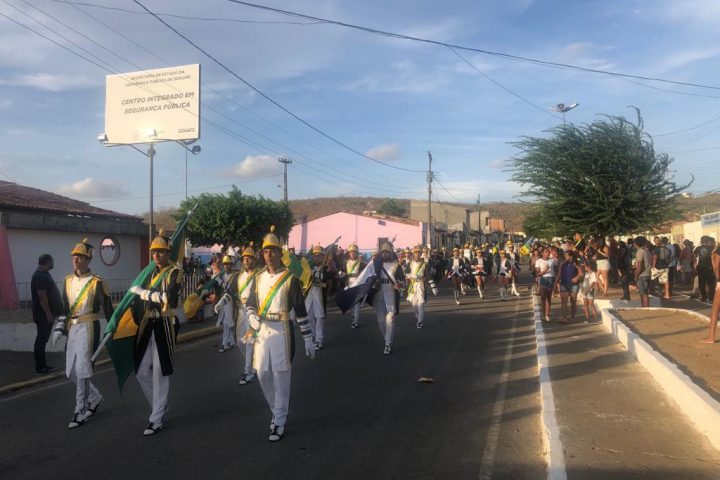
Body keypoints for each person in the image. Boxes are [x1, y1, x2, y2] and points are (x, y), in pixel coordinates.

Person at [244, 226, 315, 442]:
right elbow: (251, 302)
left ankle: (280, 419)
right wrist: (251, 315)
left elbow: (300, 310)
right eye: (265, 251)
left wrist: (308, 338)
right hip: (263, 330)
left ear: (279, 253)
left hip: (282, 330)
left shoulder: (290, 278)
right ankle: (276, 409)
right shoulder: (257, 278)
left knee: (281, 375)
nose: (269, 255)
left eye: (272, 251)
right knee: (261, 373)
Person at [51, 239, 114, 429]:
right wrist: (59, 327)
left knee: (83, 370)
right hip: (73, 329)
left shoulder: (97, 282)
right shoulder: (68, 281)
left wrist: (113, 328)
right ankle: (95, 397)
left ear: (88, 260)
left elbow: (108, 310)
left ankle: (81, 409)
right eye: (74, 256)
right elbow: (65, 307)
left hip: (89, 328)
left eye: (80, 257)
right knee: (71, 371)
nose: (76, 259)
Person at [128, 230, 182, 436]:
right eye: (154, 252)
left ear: (168, 253)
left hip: (164, 323)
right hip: (146, 323)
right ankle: (160, 406)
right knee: (141, 372)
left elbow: (168, 298)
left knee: (160, 371)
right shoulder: (147, 273)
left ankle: (156, 418)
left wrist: (142, 292)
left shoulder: (175, 272)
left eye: (160, 251)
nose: (156, 255)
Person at [372, 242, 405, 354]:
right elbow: (370, 277)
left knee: (389, 318)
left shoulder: (396, 265)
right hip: (379, 293)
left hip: (391, 293)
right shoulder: (376, 265)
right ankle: (388, 338)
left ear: (390, 253)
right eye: (383, 252)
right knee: (381, 320)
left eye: (387, 252)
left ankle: (387, 344)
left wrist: (399, 284)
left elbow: (403, 281)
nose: (385, 254)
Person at [31, 254, 62, 375]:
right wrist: (48, 313)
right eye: (52, 261)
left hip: (44, 314)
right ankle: (40, 367)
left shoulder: (43, 274)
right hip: (43, 315)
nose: (53, 263)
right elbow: (42, 297)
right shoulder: (40, 275)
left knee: (42, 339)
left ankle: (42, 365)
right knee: (41, 339)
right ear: (47, 262)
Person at [235, 243, 259, 385]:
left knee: (249, 341)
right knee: (240, 340)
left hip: (253, 312)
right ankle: (253, 362)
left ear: (254, 260)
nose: (246, 260)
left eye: (249, 258)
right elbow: (231, 291)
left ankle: (248, 371)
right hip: (241, 312)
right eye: (244, 258)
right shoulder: (239, 276)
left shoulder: (259, 275)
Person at [305, 244, 330, 350]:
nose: (316, 258)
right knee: (308, 316)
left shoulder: (326, 269)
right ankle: (314, 336)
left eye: (318, 256)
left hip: (319, 296)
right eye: (314, 256)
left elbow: (328, 284)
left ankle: (319, 340)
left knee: (319, 318)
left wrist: (318, 282)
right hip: (309, 295)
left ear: (323, 257)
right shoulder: (309, 268)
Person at [214, 255, 238, 353]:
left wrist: (220, 282)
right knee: (225, 322)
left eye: (228, 264)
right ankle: (231, 341)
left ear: (231, 265)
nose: (226, 266)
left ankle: (225, 344)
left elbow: (231, 288)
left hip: (230, 300)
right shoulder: (223, 275)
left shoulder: (235, 275)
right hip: (223, 300)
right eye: (225, 264)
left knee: (227, 322)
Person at [340, 244, 365, 329]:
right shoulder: (346, 263)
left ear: (357, 253)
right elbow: (341, 273)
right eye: (351, 252)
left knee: (356, 303)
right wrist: (341, 274)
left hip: (357, 285)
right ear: (349, 253)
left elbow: (364, 274)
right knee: (351, 303)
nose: (352, 254)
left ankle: (355, 321)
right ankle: (353, 317)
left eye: (354, 252)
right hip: (349, 284)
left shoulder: (361, 263)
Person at [554, 250, 581, 323]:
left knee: (573, 301)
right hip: (564, 284)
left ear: (571, 256)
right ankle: (564, 318)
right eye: (564, 255)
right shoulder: (563, 263)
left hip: (574, 285)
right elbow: (559, 274)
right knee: (564, 302)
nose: (565, 256)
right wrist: (555, 284)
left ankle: (573, 317)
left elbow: (581, 273)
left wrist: (576, 277)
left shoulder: (576, 263)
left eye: (566, 255)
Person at [406, 245, 428, 329]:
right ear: (413, 254)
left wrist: (423, 278)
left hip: (421, 285)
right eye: (416, 253)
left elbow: (427, 276)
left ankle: (419, 321)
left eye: (419, 253)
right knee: (414, 305)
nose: (417, 254)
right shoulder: (410, 264)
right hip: (413, 285)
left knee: (420, 304)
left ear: (421, 254)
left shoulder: (424, 264)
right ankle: (418, 317)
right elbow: (406, 274)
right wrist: (409, 277)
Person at [535, 248, 557, 321]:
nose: (547, 253)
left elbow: (557, 269)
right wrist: (546, 269)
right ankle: (543, 314)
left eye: (548, 252)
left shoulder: (552, 261)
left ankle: (547, 314)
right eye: (546, 252)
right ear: (542, 253)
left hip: (551, 279)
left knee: (548, 297)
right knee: (543, 298)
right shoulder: (538, 261)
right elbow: (539, 274)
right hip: (543, 279)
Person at [694, 236, 716, 303]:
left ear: (701, 241)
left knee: (702, 283)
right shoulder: (712, 248)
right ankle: (711, 298)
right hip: (710, 268)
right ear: (708, 241)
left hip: (700, 267)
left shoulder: (698, 248)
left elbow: (694, 258)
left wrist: (695, 267)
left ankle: (703, 297)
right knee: (711, 284)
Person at [633, 236, 652, 308]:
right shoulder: (647, 251)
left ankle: (645, 308)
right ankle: (645, 307)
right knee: (645, 292)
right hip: (648, 273)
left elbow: (639, 265)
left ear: (636, 243)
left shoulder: (640, 252)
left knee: (643, 293)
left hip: (642, 274)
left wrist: (636, 275)